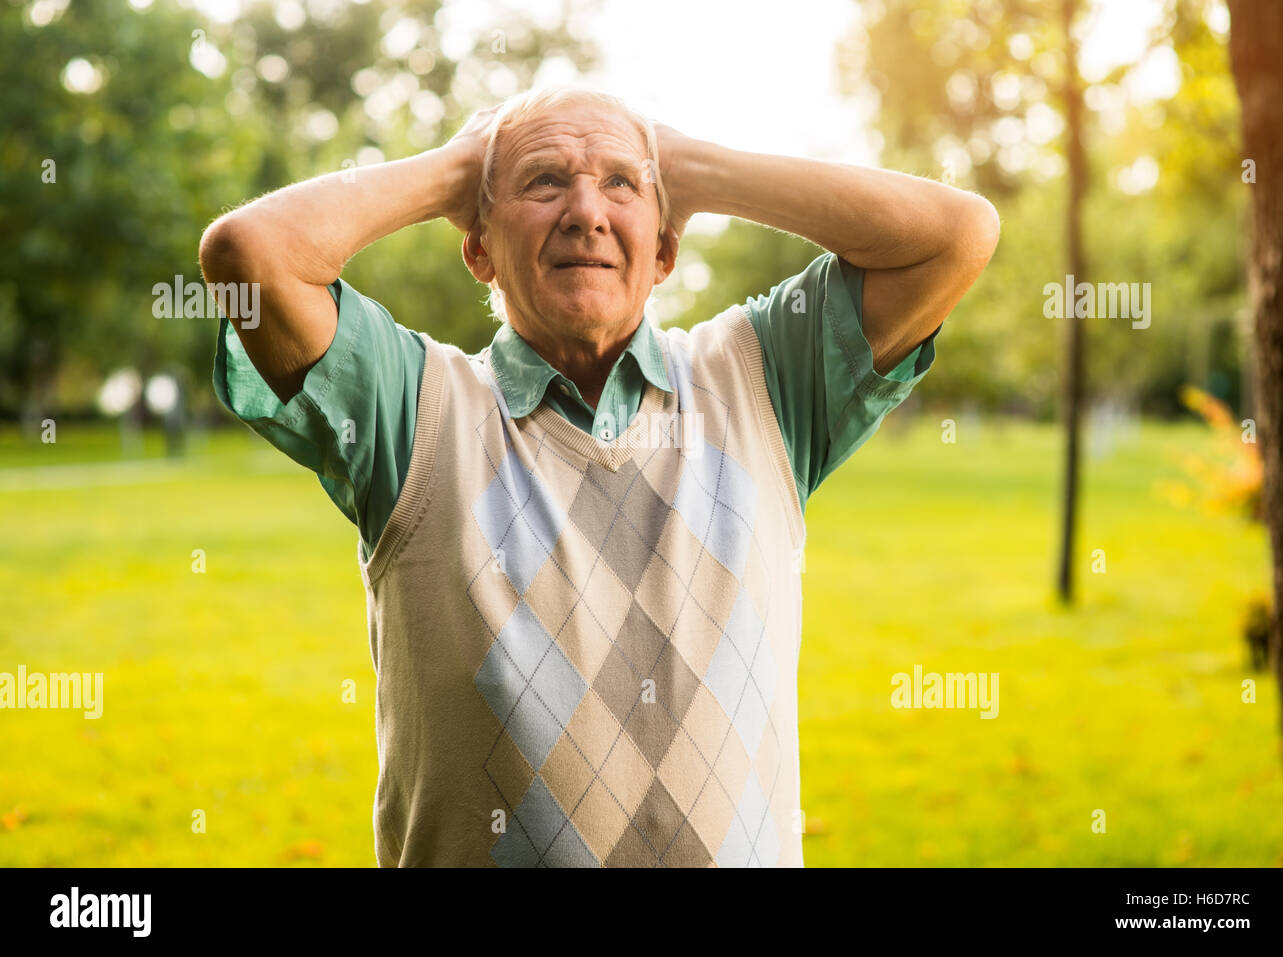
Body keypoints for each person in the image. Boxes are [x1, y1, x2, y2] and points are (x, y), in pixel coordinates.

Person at [199, 84, 999, 867]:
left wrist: (694, 167)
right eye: (543, 182)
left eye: (621, 183)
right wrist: (460, 166)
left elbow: (957, 233)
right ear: (478, 248)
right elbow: (250, 254)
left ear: (665, 251)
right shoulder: (411, 406)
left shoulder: (763, 377)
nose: (586, 212)